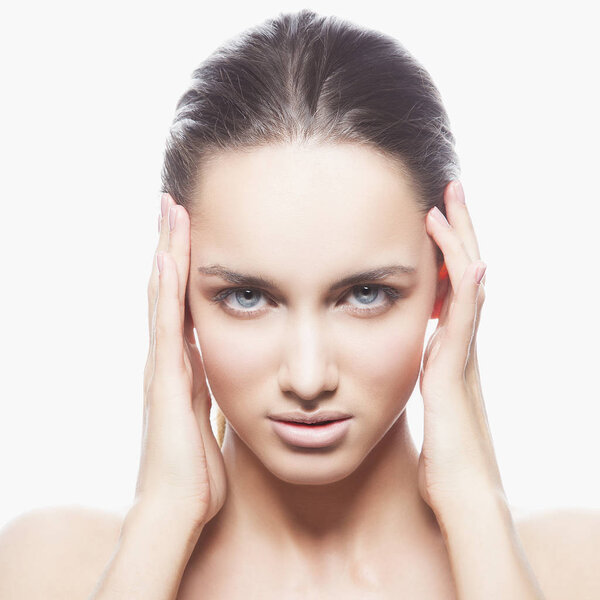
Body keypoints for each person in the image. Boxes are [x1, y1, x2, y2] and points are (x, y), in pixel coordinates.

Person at [1, 8, 598, 600]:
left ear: (447, 283)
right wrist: (161, 517)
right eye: (247, 296)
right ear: (177, 294)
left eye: (366, 294)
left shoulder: (575, 568)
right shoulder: (51, 568)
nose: (308, 379)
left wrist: (474, 500)